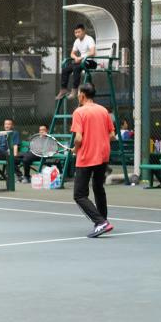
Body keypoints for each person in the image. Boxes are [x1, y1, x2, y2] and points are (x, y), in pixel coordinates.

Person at [71, 83, 116, 238]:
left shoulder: (79, 112)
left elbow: (78, 137)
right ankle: (103, 220)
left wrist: (76, 149)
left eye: (78, 93)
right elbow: (112, 135)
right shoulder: (104, 111)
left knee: (79, 194)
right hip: (103, 156)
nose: (77, 96)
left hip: (86, 157)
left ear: (82, 95)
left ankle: (100, 222)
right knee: (98, 188)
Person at [56, 24, 96, 101]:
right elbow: (72, 54)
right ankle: (63, 89)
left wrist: (80, 57)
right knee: (65, 69)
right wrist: (76, 57)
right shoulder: (77, 41)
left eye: (79, 32)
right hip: (81, 62)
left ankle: (74, 90)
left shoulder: (89, 39)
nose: (77, 34)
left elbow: (92, 52)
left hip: (91, 62)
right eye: (75, 32)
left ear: (84, 31)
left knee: (76, 67)